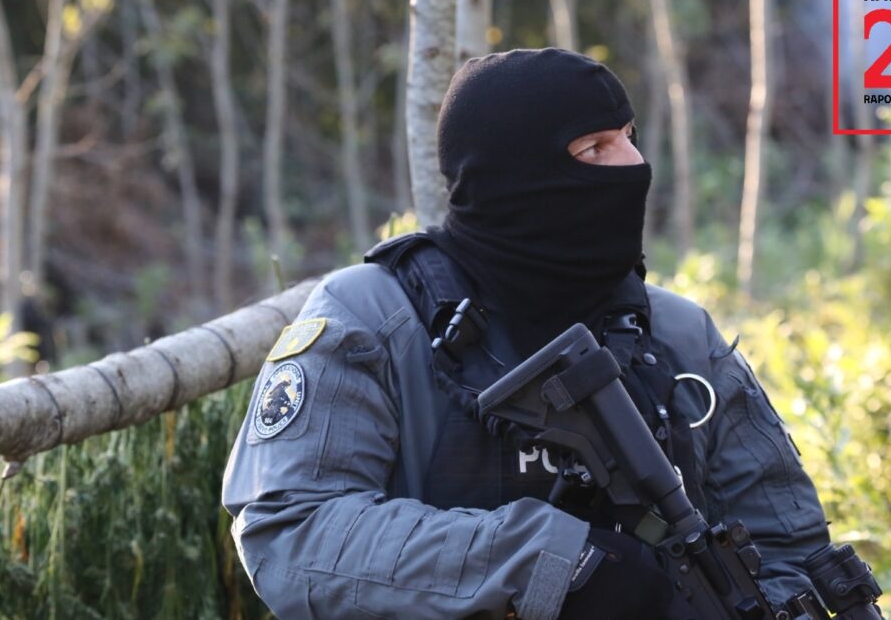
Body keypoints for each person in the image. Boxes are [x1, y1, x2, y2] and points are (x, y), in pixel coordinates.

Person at [222, 48, 837, 619]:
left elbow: (792, 550)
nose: (634, 165)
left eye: (629, 137)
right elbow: (291, 532)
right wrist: (553, 563)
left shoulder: (678, 333)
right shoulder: (374, 319)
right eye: (595, 148)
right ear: (512, 176)